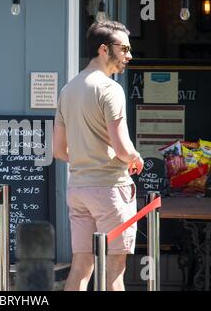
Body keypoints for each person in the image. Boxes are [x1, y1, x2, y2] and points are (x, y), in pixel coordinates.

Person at [53, 20, 144, 291]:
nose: (129, 55)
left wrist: (85, 157)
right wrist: (135, 157)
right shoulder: (110, 89)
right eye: (124, 48)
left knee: (81, 266)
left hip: (78, 188)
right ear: (104, 49)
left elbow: (58, 150)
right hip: (110, 189)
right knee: (114, 271)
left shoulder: (68, 90)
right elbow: (122, 149)